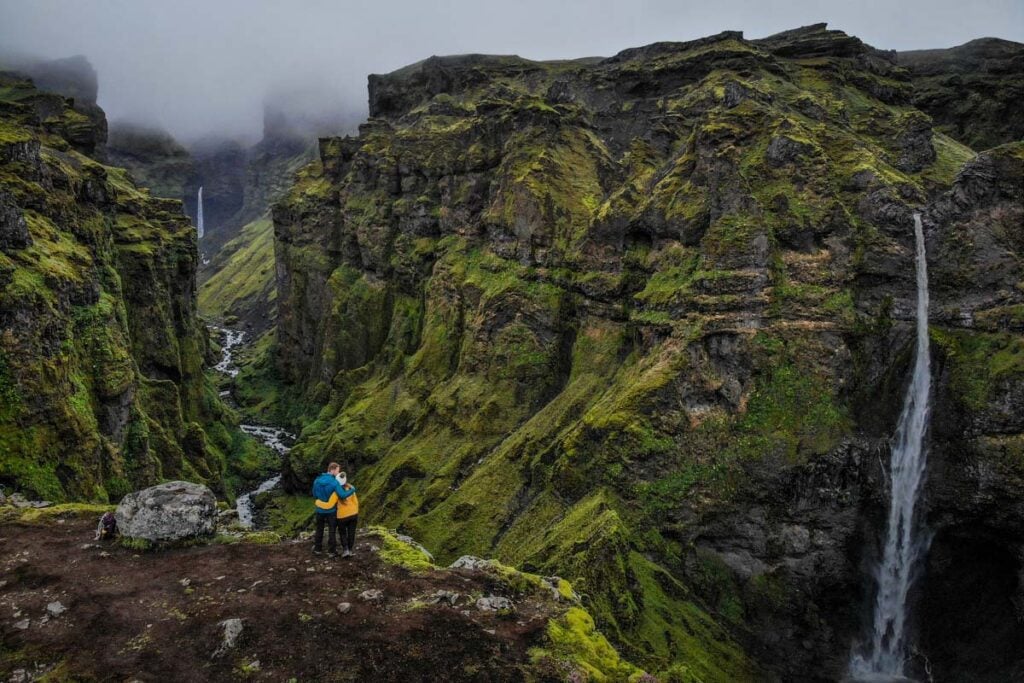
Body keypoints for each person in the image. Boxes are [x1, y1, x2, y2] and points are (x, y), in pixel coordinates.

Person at [311, 463, 356, 557]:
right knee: (332, 530)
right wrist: (352, 490)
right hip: (331, 511)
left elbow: (314, 495)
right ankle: (331, 551)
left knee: (319, 529)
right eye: (338, 470)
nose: (338, 473)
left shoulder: (317, 480)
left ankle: (317, 549)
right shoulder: (334, 482)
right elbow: (342, 495)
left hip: (319, 510)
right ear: (333, 470)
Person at [334, 471, 359, 558]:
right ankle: (350, 550)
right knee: (351, 532)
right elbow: (355, 501)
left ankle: (345, 550)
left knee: (342, 533)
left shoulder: (336, 491)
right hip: (353, 513)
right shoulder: (351, 488)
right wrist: (355, 511)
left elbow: (334, 503)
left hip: (342, 515)